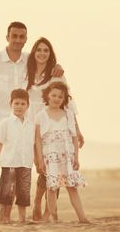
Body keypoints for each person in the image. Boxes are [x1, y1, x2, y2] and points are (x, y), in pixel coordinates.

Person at [0, 22, 63, 218]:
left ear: (26, 39)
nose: (18, 40)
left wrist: (58, 67)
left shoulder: (30, 60)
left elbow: (48, 66)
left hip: (24, 124)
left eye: (22, 37)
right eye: (14, 36)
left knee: (29, 168)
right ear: (7, 37)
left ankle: (38, 209)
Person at [0, 37, 85, 220]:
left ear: (51, 54)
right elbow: (13, 90)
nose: (42, 53)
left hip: (51, 122)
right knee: (32, 166)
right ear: (33, 53)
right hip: (29, 122)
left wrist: (77, 130)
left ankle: (41, 205)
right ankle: (17, 209)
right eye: (39, 50)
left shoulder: (57, 74)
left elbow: (68, 103)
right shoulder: (25, 71)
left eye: (46, 50)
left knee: (51, 168)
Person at [35, 81, 89, 223]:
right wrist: (40, 160)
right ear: (47, 96)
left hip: (67, 157)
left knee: (72, 188)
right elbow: (38, 140)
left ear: (64, 99)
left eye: (60, 96)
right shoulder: (41, 115)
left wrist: (76, 157)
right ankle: (53, 218)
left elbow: (74, 137)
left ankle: (82, 218)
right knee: (52, 188)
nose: (56, 99)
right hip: (51, 157)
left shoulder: (68, 115)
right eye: (53, 95)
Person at [0, 89, 35, 223]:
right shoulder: (6, 123)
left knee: (24, 193)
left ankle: (22, 219)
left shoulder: (31, 125)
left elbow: (33, 145)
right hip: (9, 163)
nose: (19, 106)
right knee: (6, 192)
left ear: (28, 106)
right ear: (10, 104)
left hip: (26, 164)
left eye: (23, 104)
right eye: (16, 103)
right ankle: (4, 218)